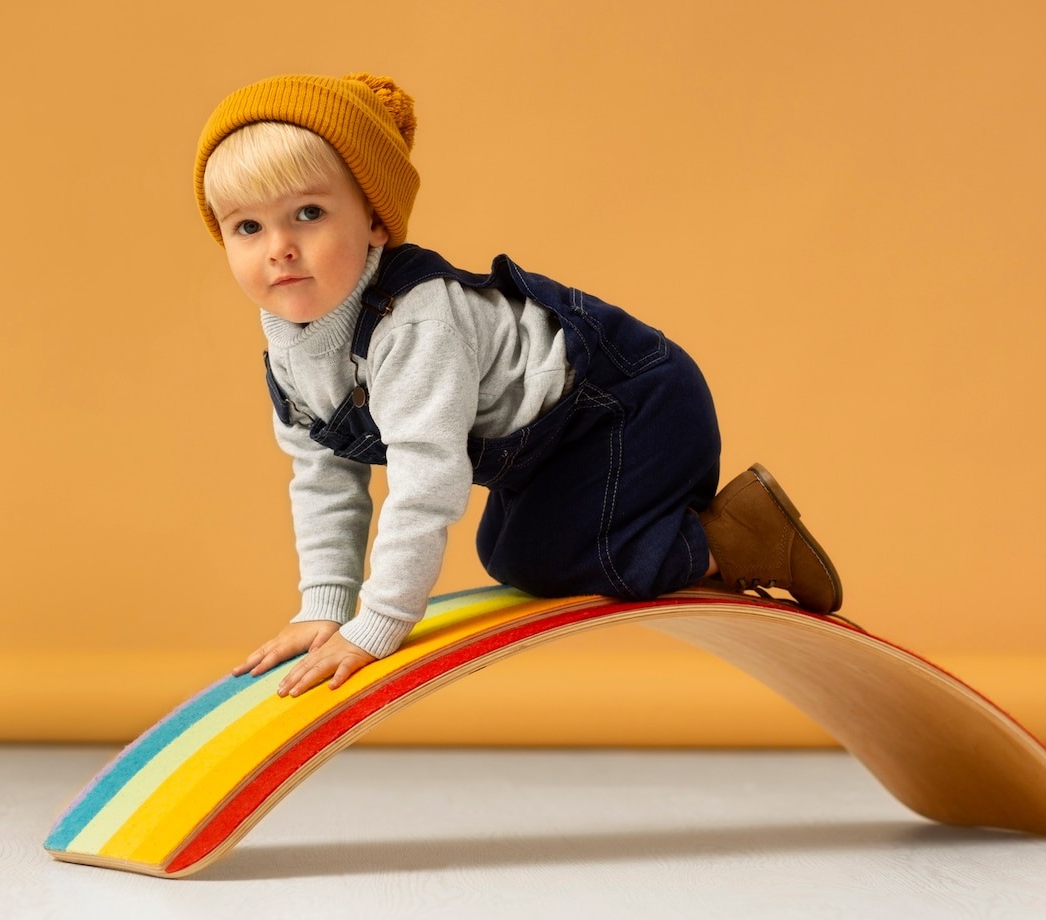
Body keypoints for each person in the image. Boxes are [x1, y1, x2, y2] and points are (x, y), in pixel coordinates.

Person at [191, 73, 843, 697]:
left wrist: (379, 622)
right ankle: (681, 540)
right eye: (248, 227)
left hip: (629, 406)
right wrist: (324, 606)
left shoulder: (414, 325)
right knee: (509, 557)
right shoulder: (291, 354)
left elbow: (425, 485)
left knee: (590, 561)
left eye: (308, 213)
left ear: (375, 222)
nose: (278, 247)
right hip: (553, 443)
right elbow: (324, 477)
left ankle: (735, 537)